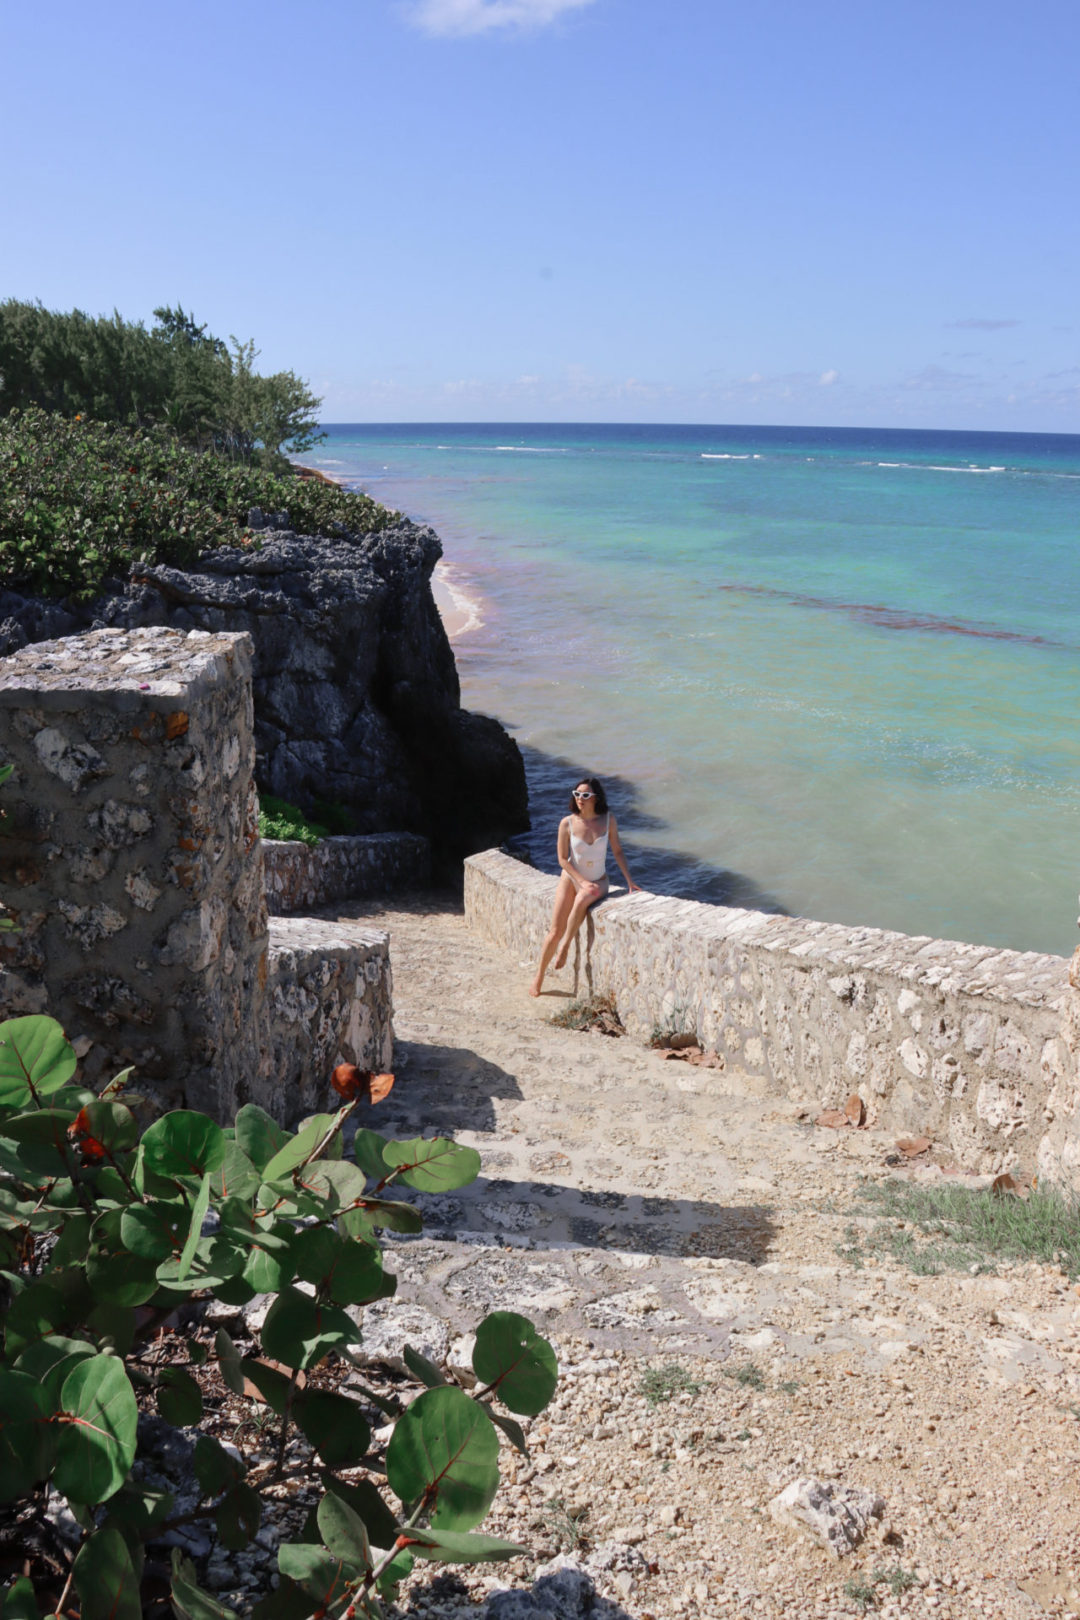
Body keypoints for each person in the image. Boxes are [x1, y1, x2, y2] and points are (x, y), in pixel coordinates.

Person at [529, 776, 640, 997]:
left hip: (598, 881)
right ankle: (539, 977)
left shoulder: (608, 820)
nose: (580, 798)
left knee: (584, 897)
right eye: (577, 794)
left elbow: (617, 851)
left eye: (585, 795)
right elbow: (562, 859)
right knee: (553, 931)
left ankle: (565, 947)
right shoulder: (567, 823)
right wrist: (579, 880)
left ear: (595, 798)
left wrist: (629, 881)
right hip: (571, 879)